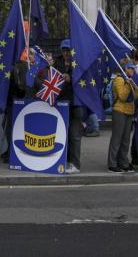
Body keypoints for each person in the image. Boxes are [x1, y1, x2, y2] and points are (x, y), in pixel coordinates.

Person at [54, 38, 81, 174]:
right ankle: (62, 161)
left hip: (75, 104)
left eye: (67, 50)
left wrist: (71, 79)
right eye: (63, 50)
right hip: (60, 103)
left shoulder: (79, 62)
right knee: (61, 134)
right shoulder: (56, 61)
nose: (65, 53)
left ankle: (75, 163)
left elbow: (84, 81)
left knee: (74, 136)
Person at [108, 62, 138, 173]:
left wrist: (137, 86)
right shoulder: (119, 79)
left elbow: (135, 96)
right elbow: (122, 96)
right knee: (117, 139)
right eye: (131, 68)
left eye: (133, 69)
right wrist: (127, 85)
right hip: (119, 111)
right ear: (125, 69)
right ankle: (112, 164)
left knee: (126, 140)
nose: (132, 71)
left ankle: (123, 162)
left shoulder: (131, 79)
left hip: (129, 111)